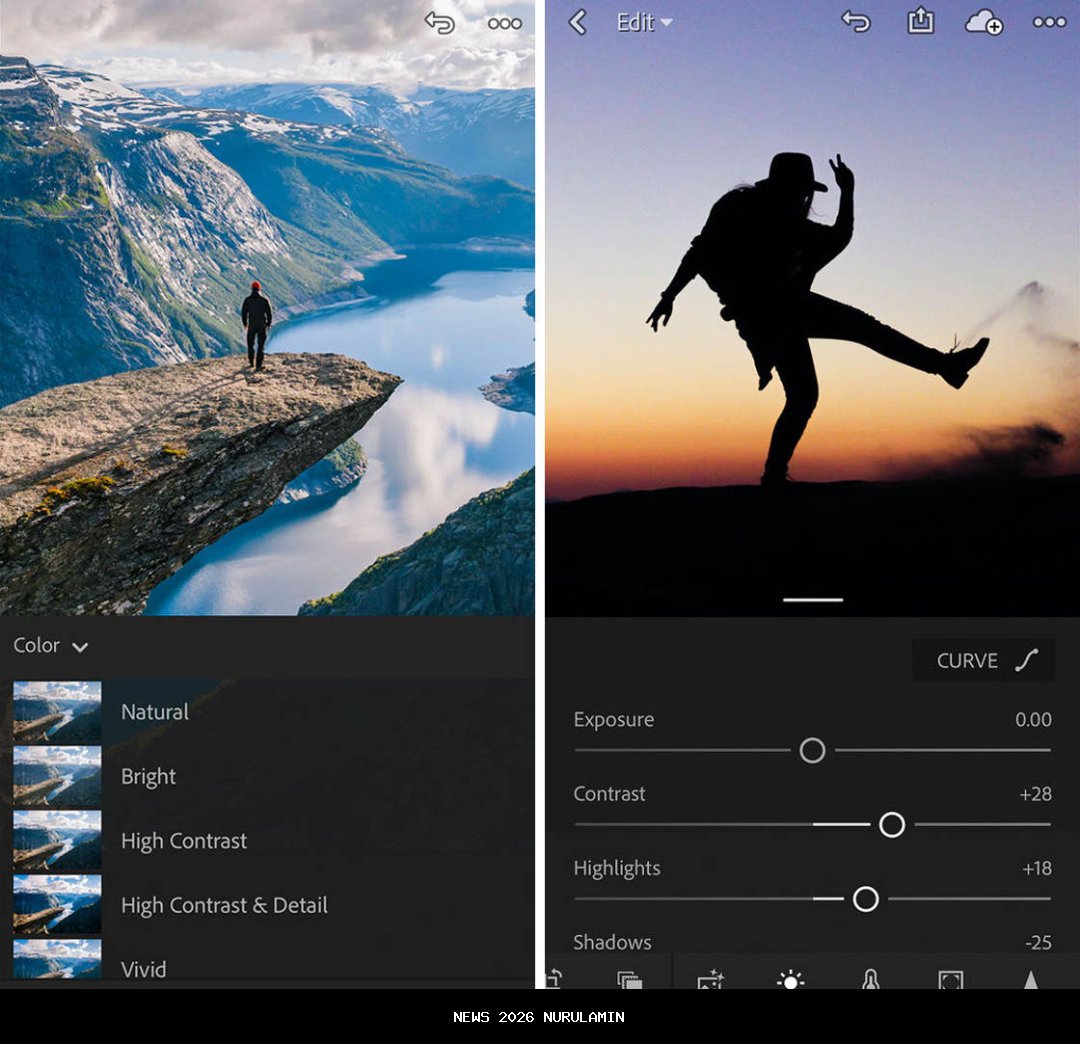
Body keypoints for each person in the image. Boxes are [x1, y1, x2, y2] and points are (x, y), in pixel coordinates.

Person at [647, 152, 989, 487]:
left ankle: (773, 476)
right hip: (767, 312)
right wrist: (668, 296)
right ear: (785, 186)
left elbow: (838, 237)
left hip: (786, 308)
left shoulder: (792, 223)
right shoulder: (739, 208)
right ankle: (945, 367)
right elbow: (700, 251)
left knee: (808, 390)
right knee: (849, 341)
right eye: (800, 189)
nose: (804, 197)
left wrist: (848, 192)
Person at [241, 280, 273, 371]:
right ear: (259, 289)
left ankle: (251, 362)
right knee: (261, 345)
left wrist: (245, 323)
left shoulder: (247, 300)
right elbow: (269, 313)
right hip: (261, 326)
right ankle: (258, 365)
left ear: (252, 289)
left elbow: (244, 313)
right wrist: (268, 323)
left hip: (252, 325)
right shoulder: (264, 300)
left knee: (250, 344)